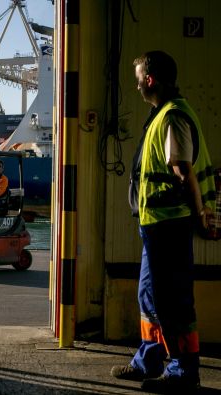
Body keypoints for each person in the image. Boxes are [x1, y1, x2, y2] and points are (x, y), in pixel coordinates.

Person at [111, 51, 216, 393]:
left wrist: (200, 214)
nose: (137, 83)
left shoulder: (172, 117)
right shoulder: (160, 115)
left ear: (150, 80)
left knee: (172, 301)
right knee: (149, 296)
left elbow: (182, 171)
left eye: (139, 76)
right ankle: (149, 361)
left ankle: (184, 373)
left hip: (170, 223)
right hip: (155, 224)